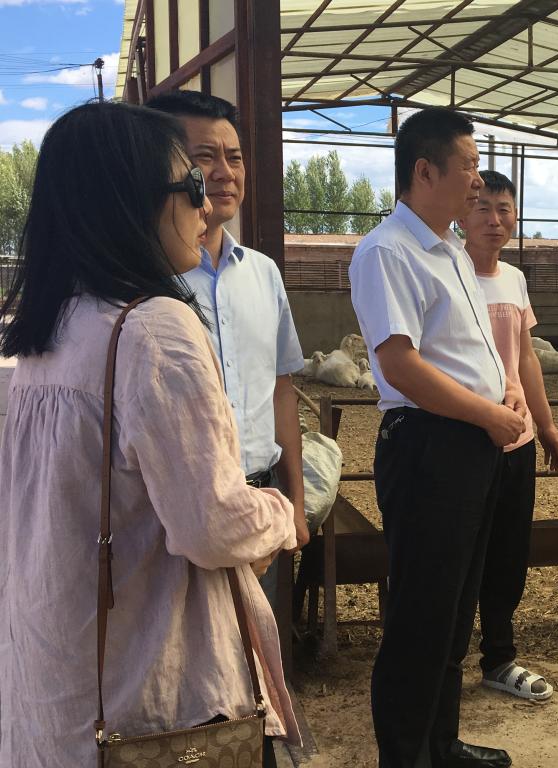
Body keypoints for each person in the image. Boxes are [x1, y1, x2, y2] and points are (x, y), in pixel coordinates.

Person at [0, 101, 299, 767]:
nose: (206, 203)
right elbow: (211, 525)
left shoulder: (54, 328)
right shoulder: (153, 328)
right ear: (131, 200)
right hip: (148, 695)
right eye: (190, 183)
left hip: (59, 681)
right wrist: (280, 514)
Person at [350, 108, 525, 768]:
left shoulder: (449, 249)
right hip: (429, 445)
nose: (478, 180)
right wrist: (487, 414)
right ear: (425, 171)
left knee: (454, 609)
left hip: (469, 443)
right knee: (420, 615)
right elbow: (400, 365)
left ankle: (440, 743)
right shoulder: (388, 251)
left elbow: (465, 351)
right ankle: (405, 755)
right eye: (470, 166)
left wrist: (504, 390)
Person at [145, 91, 310, 603]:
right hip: (179, 518)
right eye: (204, 157)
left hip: (263, 502)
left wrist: (296, 501)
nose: (225, 173)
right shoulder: (146, 284)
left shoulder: (263, 273)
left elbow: (280, 389)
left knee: (261, 646)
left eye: (234, 157)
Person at [457, 170, 558, 701]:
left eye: (504, 209)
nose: (495, 220)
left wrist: (545, 424)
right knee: (461, 554)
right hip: (463, 439)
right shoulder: (449, 274)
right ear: (463, 212)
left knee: (507, 553)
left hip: (516, 439)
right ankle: (444, 663)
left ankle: (499, 658)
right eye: (483, 208)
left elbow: (525, 359)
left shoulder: (514, 280)